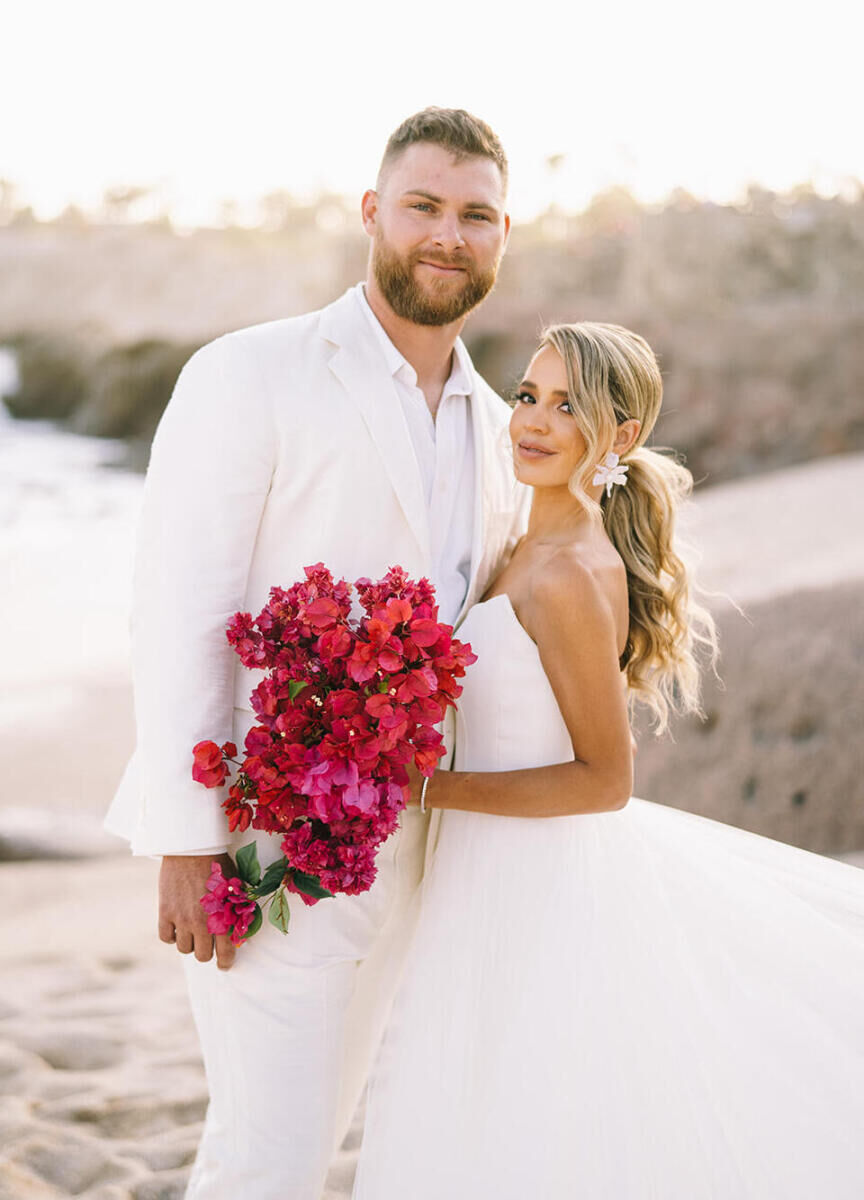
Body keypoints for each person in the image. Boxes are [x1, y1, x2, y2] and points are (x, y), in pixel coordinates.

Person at [103, 107, 531, 1198]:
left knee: (282, 1142)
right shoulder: (249, 373)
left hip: (415, 851)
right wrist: (186, 839)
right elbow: (179, 608)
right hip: (262, 837)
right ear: (371, 213)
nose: (448, 234)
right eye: (425, 206)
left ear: (503, 234)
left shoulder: (496, 424)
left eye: (475, 215)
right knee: (277, 1156)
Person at [351, 322, 864, 1199]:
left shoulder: (569, 574)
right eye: (527, 396)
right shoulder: (520, 542)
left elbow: (605, 779)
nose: (534, 422)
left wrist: (424, 788)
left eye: (568, 407)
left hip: (538, 878)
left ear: (618, 437)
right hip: (487, 862)